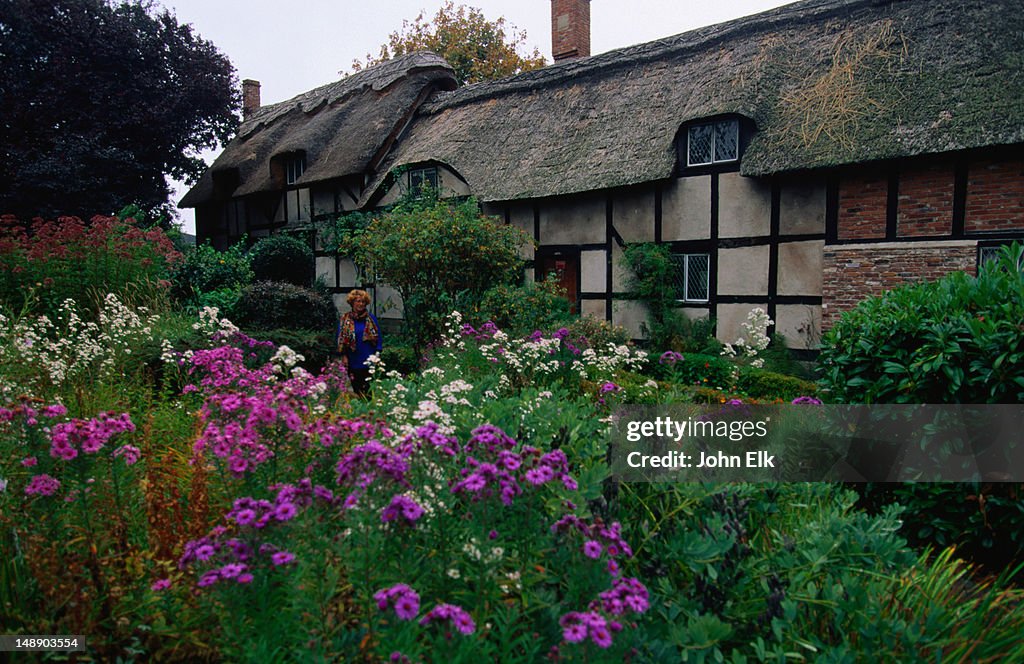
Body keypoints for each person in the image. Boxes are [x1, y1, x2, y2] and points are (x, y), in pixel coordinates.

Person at [336, 289, 382, 397]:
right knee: (357, 390)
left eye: (363, 302)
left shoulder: (371, 318)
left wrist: (378, 354)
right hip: (353, 360)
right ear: (352, 303)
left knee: (369, 391)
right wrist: (343, 356)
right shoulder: (345, 319)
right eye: (358, 301)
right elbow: (341, 339)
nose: (360, 304)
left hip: (369, 359)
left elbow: (379, 337)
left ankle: (370, 410)